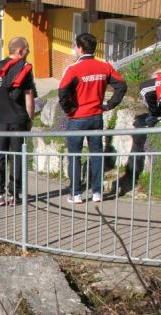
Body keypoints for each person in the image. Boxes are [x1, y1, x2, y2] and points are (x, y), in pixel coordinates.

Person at [58, 32, 127, 204]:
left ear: (80, 48)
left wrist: (69, 110)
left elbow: (62, 92)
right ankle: (97, 193)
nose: (74, 49)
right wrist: (109, 105)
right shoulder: (104, 67)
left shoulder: (73, 69)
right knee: (96, 155)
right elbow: (122, 86)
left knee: (74, 155)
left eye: (75, 46)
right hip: (96, 116)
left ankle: (76, 194)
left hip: (77, 118)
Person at [0, 37, 35, 207]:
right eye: (27, 49)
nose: (28, 52)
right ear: (20, 51)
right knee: (17, 158)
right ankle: (15, 195)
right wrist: (30, 119)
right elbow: (29, 97)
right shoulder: (25, 69)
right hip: (19, 121)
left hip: (1, 120)